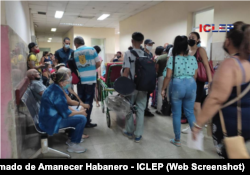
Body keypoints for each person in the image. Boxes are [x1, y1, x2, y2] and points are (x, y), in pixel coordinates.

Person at [192, 21, 250, 159]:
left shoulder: (231, 64)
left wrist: (198, 125)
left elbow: (216, 99)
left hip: (234, 126)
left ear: (228, 41)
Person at [161, 35, 198, 147]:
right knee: (190, 113)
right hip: (191, 84)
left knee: (176, 114)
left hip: (177, 85)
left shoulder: (173, 59)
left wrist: (163, 89)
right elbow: (195, 75)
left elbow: (168, 76)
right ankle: (196, 140)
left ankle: (177, 140)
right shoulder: (192, 58)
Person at [39, 71, 87, 153]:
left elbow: (63, 106)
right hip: (51, 122)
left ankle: (72, 138)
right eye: (67, 81)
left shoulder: (54, 87)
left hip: (48, 118)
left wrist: (77, 111)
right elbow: (66, 114)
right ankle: (73, 144)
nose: (69, 82)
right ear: (61, 83)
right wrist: (80, 113)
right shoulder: (57, 92)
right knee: (82, 119)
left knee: (78, 110)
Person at [182, 31, 213, 134]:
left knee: (196, 105)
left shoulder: (201, 50)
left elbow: (206, 66)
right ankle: (193, 125)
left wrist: (210, 81)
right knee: (190, 105)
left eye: (193, 37)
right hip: (188, 81)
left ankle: (197, 128)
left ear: (198, 40)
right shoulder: (186, 51)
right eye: (189, 37)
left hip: (198, 82)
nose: (190, 39)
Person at [122, 32, 148, 143]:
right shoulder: (147, 54)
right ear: (142, 41)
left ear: (132, 41)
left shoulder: (128, 53)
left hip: (132, 86)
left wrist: (123, 87)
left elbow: (126, 70)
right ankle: (138, 135)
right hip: (144, 86)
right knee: (140, 110)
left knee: (128, 108)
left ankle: (129, 131)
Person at [74, 36, 101, 128]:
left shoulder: (75, 52)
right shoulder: (92, 49)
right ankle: (86, 121)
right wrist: (92, 70)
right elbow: (98, 63)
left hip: (80, 80)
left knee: (81, 100)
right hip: (90, 80)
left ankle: (81, 119)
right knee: (88, 101)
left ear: (76, 44)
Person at [58, 67, 90, 139]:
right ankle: (74, 137)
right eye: (68, 76)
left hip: (63, 109)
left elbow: (70, 97)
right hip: (56, 119)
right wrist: (79, 112)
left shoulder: (62, 85)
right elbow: (68, 104)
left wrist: (81, 103)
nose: (70, 78)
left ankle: (75, 132)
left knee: (81, 109)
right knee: (82, 116)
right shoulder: (58, 89)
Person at [155, 45, 172, 114]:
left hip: (161, 76)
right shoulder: (174, 58)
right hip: (170, 77)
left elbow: (157, 69)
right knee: (168, 93)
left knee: (160, 92)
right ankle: (168, 109)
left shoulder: (160, 58)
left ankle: (159, 109)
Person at [143, 39, 155, 117]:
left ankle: (146, 109)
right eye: (149, 45)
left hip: (149, 76)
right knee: (142, 94)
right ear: (145, 45)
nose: (150, 46)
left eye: (151, 45)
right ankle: (142, 109)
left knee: (147, 94)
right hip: (143, 76)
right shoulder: (141, 53)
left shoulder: (150, 54)